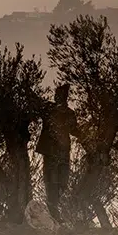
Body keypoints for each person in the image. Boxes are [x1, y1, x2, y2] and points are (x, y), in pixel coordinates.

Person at [35, 83, 81, 223]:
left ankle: (53, 210)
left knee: (63, 182)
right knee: (51, 182)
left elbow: (74, 130)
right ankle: (53, 213)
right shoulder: (48, 109)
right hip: (50, 153)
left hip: (63, 152)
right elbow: (35, 102)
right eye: (57, 95)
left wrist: (88, 133)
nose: (57, 97)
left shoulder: (69, 113)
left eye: (60, 95)